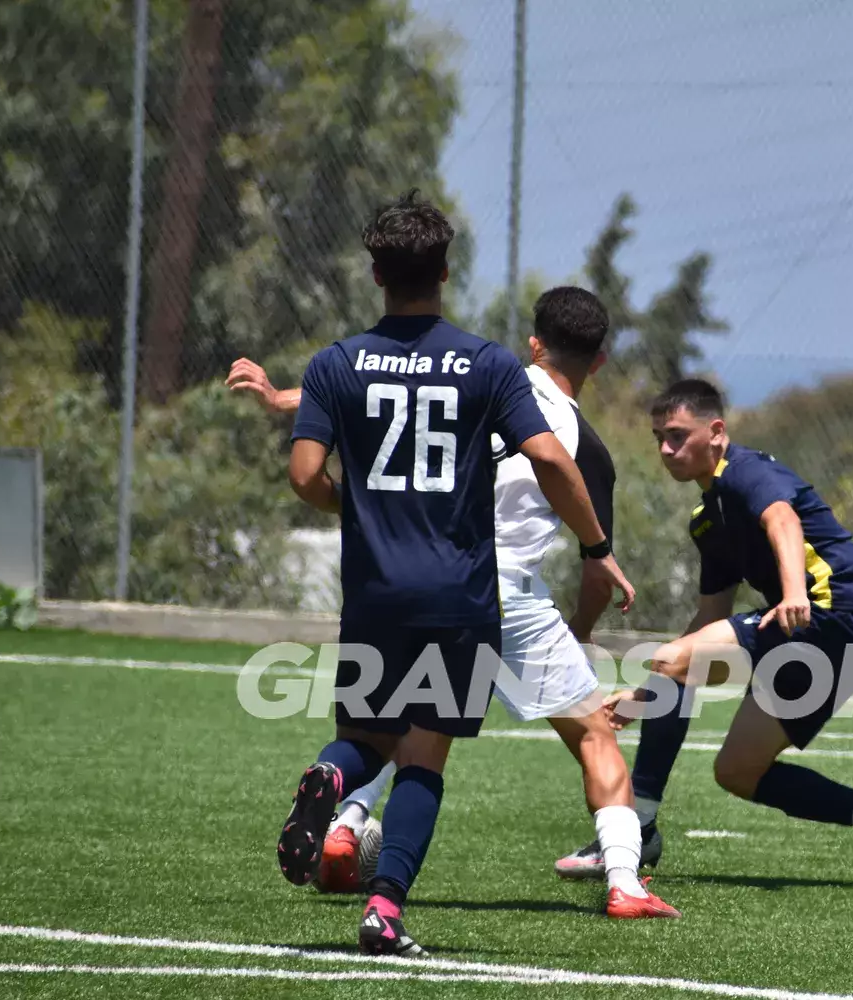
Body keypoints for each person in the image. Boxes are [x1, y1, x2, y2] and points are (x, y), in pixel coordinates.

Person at [262, 191, 633, 958]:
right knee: (424, 759)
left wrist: (353, 505)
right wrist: (596, 545)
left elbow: (303, 476)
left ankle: (331, 779)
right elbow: (549, 459)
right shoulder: (486, 363)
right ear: (445, 272)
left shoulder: (335, 363)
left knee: (367, 738)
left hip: (374, 592)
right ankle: (385, 911)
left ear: (375, 274)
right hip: (460, 593)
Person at [554, 378, 853, 888]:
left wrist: (794, 592)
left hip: (833, 613)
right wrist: (648, 693)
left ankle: (636, 830)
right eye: (659, 438)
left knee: (672, 661)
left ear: (716, 431)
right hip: (826, 629)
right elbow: (710, 615)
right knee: (738, 770)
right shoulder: (707, 521)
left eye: (677, 436)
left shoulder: (745, 471)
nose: (666, 449)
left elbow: (782, 520)